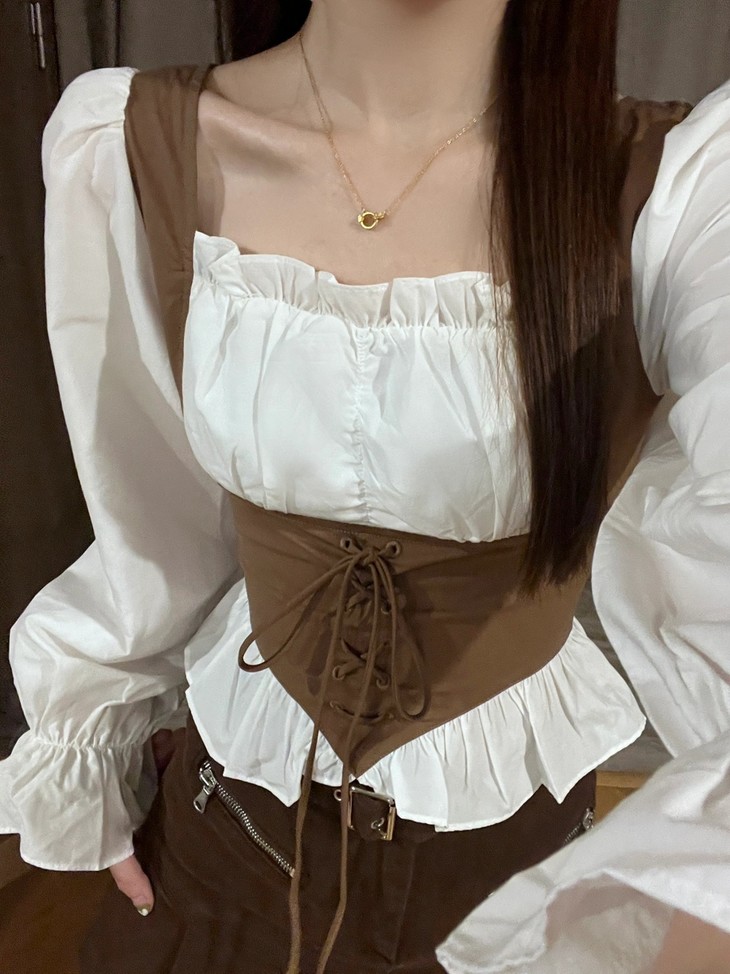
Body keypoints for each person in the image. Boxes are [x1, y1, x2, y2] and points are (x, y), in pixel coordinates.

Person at [0, 1, 728, 972]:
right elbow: (150, 519)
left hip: (506, 860)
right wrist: (92, 737)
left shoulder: (681, 193)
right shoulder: (137, 144)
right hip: (229, 830)